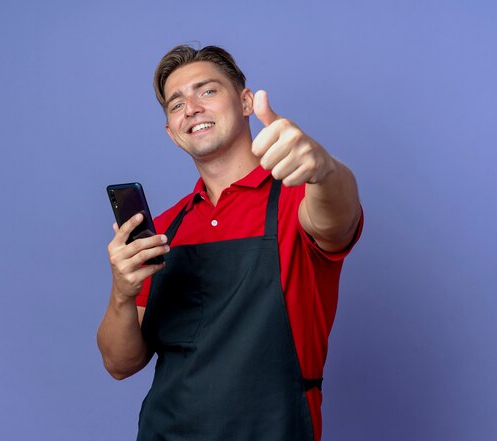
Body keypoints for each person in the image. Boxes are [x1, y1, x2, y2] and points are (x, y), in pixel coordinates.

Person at [97, 44, 363, 441]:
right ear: (172, 134)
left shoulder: (299, 198)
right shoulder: (164, 229)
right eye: (176, 104)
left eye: (206, 91)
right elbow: (120, 364)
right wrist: (122, 290)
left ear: (244, 102)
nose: (191, 108)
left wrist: (325, 170)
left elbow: (339, 218)